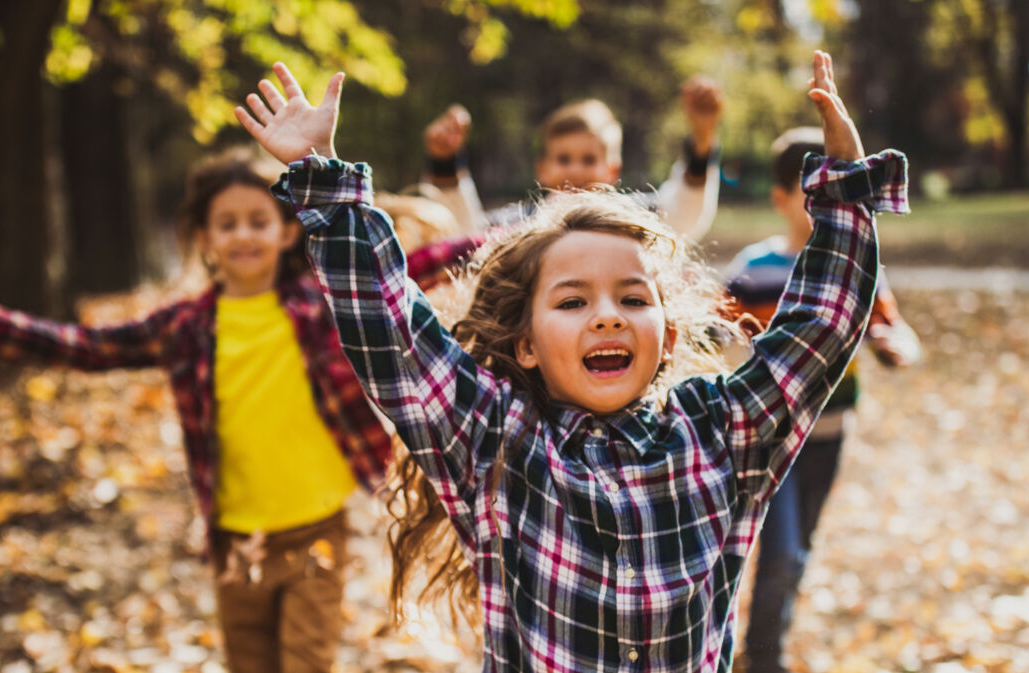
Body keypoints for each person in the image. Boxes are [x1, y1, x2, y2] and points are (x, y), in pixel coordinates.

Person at [235, 50, 908, 672]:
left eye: (632, 298)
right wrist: (325, 180)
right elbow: (391, 330)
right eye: (572, 301)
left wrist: (846, 194)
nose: (607, 315)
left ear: (669, 334)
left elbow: (818, 330)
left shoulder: (721, 434)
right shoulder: (494, 439)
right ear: (526, 342)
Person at [0, 148, 474, 673]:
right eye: (227, 224)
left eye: (258, 220)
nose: (244, 235)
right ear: (204, 238)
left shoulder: (319, 304)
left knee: (307, 661)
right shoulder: (185, 328)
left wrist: (509, 234)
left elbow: (410, 268)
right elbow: (81, 347)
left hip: (317, 534)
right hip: (235, 538)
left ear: (284, 230)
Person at [724, 126, 921, 673]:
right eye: (810, 196)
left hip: (832, 435)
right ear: (781, 197)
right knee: (781, 551)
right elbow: (708, 328)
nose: (822, 209)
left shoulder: (858, 271)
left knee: (798, 553)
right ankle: (765, 660)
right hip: (771, 439)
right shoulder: (754, 269)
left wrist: (894, 346)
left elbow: (895, 328)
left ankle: (766, 645)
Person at [420, 76, 725, 241]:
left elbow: (683, 215)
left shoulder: (636, 219)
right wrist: (445, 164)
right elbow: (464, 236)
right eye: (564, 159)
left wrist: (701, 141)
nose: (576, 170)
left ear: (612, 169)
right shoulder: (518, 225)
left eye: (589, 159)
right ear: (542, 169)